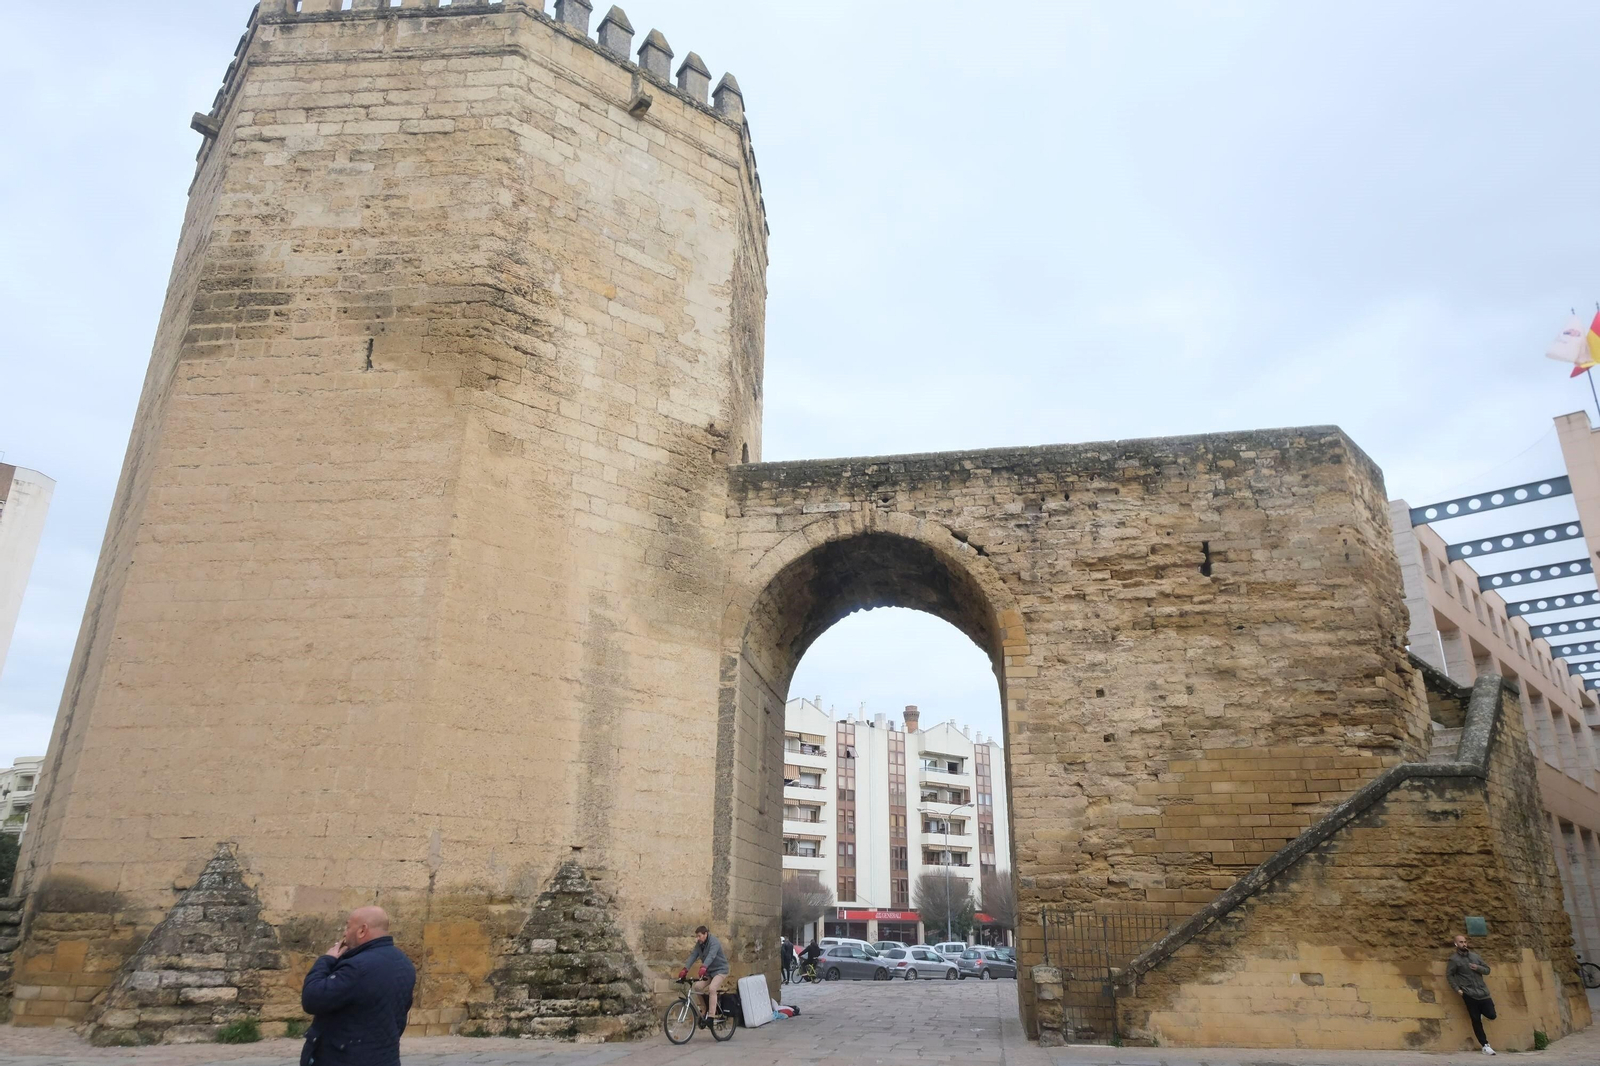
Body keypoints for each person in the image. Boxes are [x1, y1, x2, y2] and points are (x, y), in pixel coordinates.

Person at [301, 906, 417, 1066]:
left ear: (362, 930)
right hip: (386, 1057)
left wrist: (326, 959)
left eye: (348, 927)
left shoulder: (357, 967)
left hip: (344, 1058)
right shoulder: (405, 964)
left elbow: (312, 998)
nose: (344, 933)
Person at [1447, 933, 1497, 1055]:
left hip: (1483, 992)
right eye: (1460, 942)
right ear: (1455, 944)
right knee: (1475, 1020)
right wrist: (1458, 989)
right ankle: (1485, 1045)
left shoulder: (1475, 956)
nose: (1463, 944)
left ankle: (1481, 1013)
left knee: (1491, 1015)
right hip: (1469, 993)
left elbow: (1487, 970)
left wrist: (1478, 968)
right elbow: (1449, 975)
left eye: (1464, 942)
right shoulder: (1454, 960)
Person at [678, 925, 730, 1023]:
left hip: (720, 970)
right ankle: (705, 1008)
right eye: (696, 936)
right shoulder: (699, 944)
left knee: (712, 988)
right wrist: (685, 969)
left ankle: (711, 1016)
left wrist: (704, 967)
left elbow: (711, 955)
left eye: (699, 936)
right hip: (710, 972)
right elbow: (693, 956)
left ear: (705, 934)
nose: (697, 938)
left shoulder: (714, 942)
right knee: (697, 987)